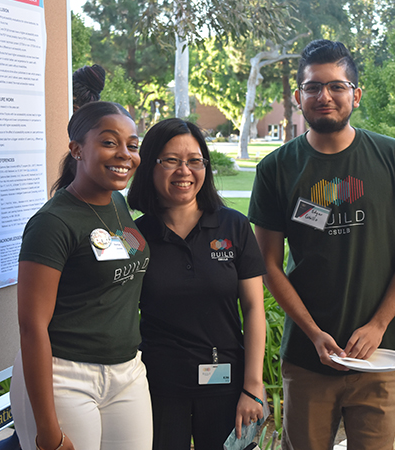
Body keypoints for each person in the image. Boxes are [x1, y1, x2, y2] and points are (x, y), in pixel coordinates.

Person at [248, 39, 395, 450]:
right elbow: (269, 264)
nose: (325, 96)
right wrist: (314, 334)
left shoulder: (394, 158)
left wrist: (378, 326)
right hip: (308, 357)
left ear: (356, 93)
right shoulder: (275, 170)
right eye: (313, 87)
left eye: (337, 85)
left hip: (379, 357)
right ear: (298, 96)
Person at [11, 101, 153, 450]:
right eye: (109, 142)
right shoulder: (53, 223)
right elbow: (32, 327)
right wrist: (48, 431)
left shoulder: (117, 204)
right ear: (77, 149)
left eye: (132, 146)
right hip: (64, 376)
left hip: (127, 372)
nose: (124, 154)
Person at [127, 118, 267, 450]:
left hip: (226, 381)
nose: (184, 171)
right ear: (150, 166)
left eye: (194, 161)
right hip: (160, 386)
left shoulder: (233, 226)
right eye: (171, 161)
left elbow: (253, 307)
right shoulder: (136, 237)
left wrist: (252, 385)